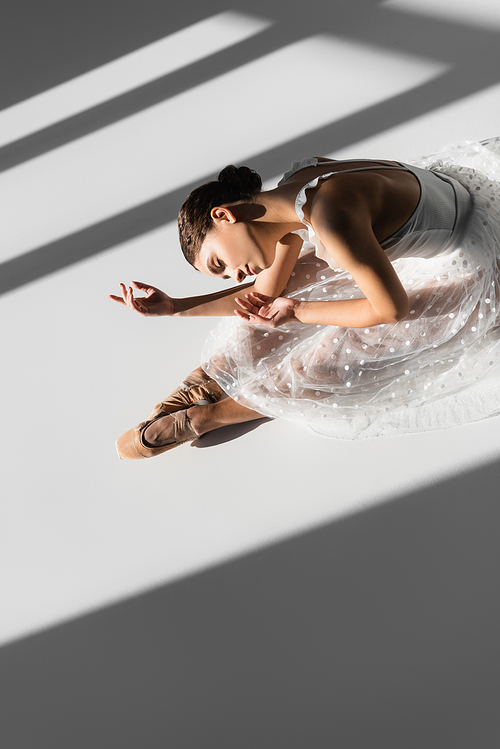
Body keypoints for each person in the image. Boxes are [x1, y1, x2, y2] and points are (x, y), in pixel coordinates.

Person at [110, 137, 500, 458]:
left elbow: (390, 309)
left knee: (345, 348)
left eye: (218, 263)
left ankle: (209, 416)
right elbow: (263, 294)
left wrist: (299, 312)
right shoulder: (298, 181)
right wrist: (175, 308)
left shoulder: (332, 218)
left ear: (224, 216)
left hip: (480, 263)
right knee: (272, 299)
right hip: (437, 211)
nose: (233, 274)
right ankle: (210, 380)